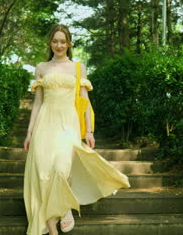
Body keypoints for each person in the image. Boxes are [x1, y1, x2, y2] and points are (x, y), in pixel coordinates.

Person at [23, 24, 130, 235]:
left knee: (62, 169)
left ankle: (65, 206)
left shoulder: (78, 68)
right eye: (55, 41)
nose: (59, 45)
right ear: (50, 43)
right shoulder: (41, 68)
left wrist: (89, 131)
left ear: (69, 43)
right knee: (44, 173)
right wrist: (29, 132)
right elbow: (37, 102)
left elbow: (85, 101)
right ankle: (52, 227)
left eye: (63, 41)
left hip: (68, 123)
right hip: (45, 123)